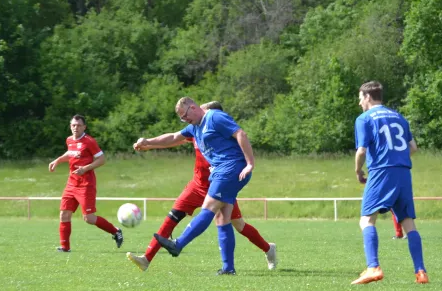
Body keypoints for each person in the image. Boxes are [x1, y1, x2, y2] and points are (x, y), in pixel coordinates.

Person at [127, 101, 277, 272]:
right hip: (203, 183)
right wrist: (148, 142)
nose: (185, 120)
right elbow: (174, 138)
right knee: (220, 218)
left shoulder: (215, 119)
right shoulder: (196, 129)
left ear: (196, 108)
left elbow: (241, 134)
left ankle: (179, 244)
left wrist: (250, 163)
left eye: (186, 116)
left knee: (236, 223)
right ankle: (227, 268)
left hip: (225, 175)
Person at [352, 81, 428, 284]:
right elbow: (413, 147)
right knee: (408, 223)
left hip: (381, 172)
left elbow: (361, 151)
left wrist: (358, 171)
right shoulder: (399, 117)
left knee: (366, 220)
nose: (359, 103)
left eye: (360, 98)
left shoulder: (364, 119)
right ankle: (421, 272)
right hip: (403, 173)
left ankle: (373, 267)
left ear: (368, 97)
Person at [48, 114, 123, 252]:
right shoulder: (69, 140)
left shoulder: (89, 141)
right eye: (73, 125)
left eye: (78, 125)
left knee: (89, 218)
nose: (75, 128)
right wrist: (57, 160)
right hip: (71, 183)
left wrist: (85, 168)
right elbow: (70, 153)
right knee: (64, 214)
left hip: (85, 184)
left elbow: (102, 160)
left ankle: (115, 231)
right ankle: (65, 247)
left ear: (84, 127)